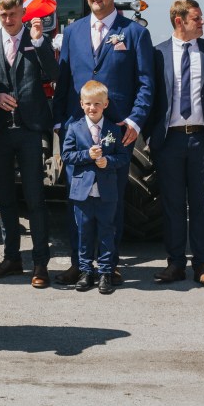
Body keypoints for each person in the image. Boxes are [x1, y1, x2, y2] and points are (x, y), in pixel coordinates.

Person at [52, 0, 154, 287]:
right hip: (78, 129)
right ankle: (79, 265)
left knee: (113, 200)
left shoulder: (134, 33)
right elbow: (64, 81)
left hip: (118, 129)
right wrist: (59, 123)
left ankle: (110, 265)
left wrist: (135, 121)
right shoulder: (73, 32)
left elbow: (146, 82)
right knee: (78, 199)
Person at [146, 0, 204, 285]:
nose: (202, 22)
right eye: (196, 18)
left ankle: (202, 264)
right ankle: (175, 264)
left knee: (202, 205)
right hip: (169, 142)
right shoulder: (157, 54)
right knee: (172, 206)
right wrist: (148, 135)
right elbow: (150, 97)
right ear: (179, 21)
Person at [0, 0, 59, 289]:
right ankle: (11, 258)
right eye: (3, 15)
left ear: (23, 12)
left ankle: (40, 263)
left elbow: (54, 74)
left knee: (35, 199)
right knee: (4, 199)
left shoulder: (36, 41)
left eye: (13, 14)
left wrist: (40, 42)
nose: (8, 19)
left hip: (30, 130)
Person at [61, 81, 127, 295]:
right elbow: (66, 155)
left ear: (106, 104)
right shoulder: (74, 128)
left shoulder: (113, 129)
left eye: (97, 103)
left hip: (107, 192)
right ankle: (85, 271)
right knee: (84, 233)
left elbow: (123, 156)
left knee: (107, 232)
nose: (92, 107)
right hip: (82, 192)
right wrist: (86, 155)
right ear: (81, 104)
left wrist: (108, 161)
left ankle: (105, 272)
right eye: (88, 103)